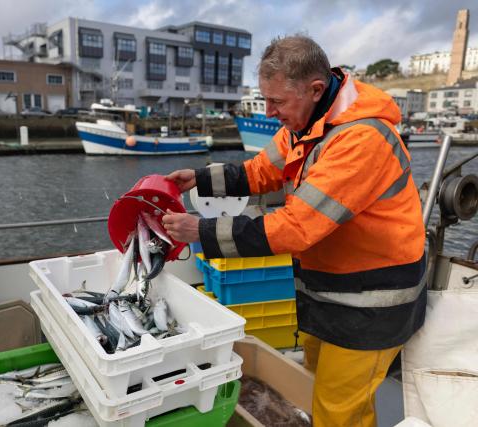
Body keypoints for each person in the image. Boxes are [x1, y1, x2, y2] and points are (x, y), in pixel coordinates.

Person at [162, 35, 425, 427]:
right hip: (327, 297)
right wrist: (198, 179)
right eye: (265, 100)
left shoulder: (360, 139)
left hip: (369, 310)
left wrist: (200, 230)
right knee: (319, 387)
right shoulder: (308, 121)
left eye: (277, 103)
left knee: (341, 415)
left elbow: (297, 227)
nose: (269, 112)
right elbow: (261, 170)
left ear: (315, 89)